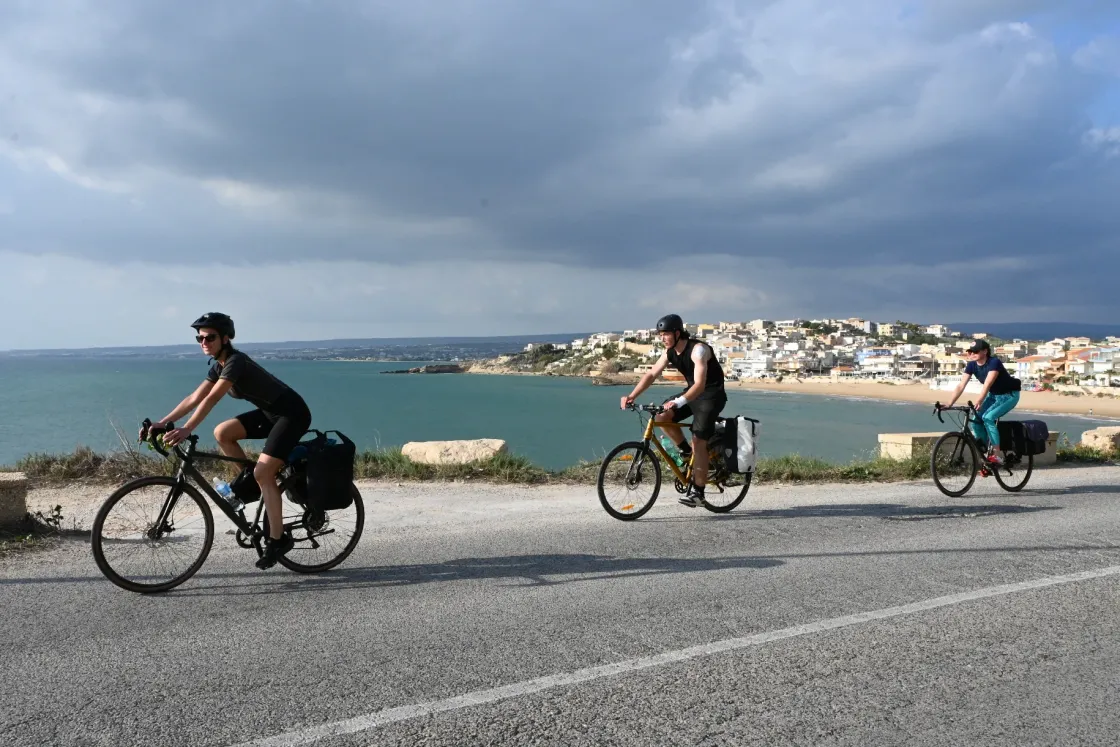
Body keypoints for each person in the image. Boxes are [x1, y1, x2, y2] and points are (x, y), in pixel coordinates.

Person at [153, 313, 313, 569]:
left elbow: (212, 399)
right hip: (270, 413)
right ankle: (252, 482)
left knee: (264, 473)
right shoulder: (219, 365)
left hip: (291, 414)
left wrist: (187, 428)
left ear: (225, 338)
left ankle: (278, 539)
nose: (203, 341)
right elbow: (194, 397)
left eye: (210, 337)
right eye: (200, 338)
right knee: (223, 433)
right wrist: (162, 423)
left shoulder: (235, 362)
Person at [621, 314, 727, 507]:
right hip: (692, 393)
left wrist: (678, 402)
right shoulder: (669, 352)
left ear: (678, 333)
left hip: (711, 395)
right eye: (660, 335)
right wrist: (632, 396)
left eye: (666, 334)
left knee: (698, 440)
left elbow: (701, 384)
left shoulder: (698, 350)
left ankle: (699, 493)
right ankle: (687, 453)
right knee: (662, 415)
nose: (662, 338)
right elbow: (652, 374)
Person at [942, 338, 1022, 465]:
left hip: (1009, 395)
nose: (972, 354)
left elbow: (987, 384)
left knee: (988, 418)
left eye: (975, 351)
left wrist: (979, 401)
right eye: (969, 352)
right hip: (993, 396)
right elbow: (961, 385)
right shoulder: (972, 365)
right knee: (975, 422)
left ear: (985, 351)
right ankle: (986, 453)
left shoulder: (993, 363)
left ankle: (996, 454)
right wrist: (949, 403)